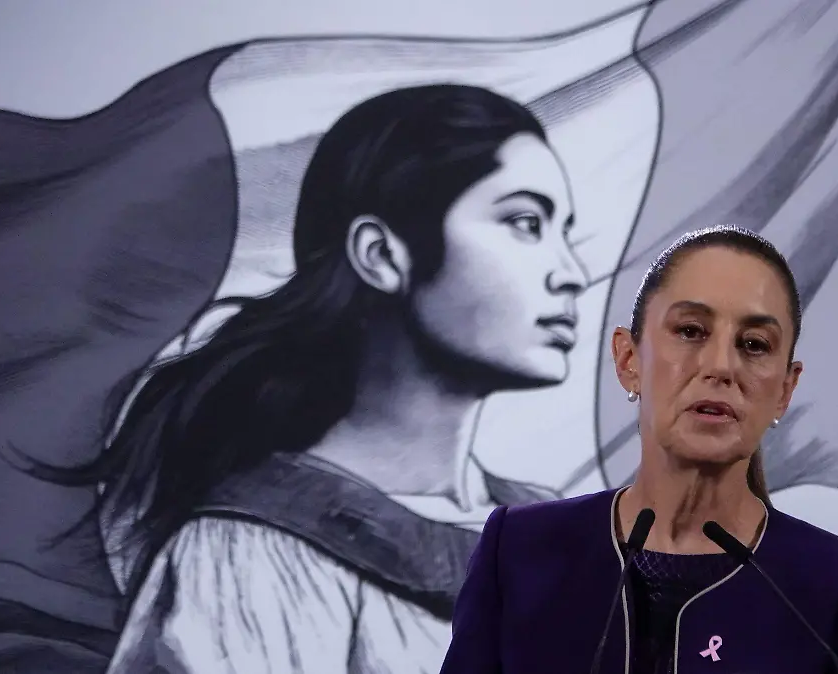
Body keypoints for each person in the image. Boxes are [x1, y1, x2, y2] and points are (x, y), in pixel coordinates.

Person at [55, 84, 587, 673]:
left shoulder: (561, 532)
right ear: (381, 255)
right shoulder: (249, 557)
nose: (571, 273)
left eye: (564, 231)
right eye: (524, 222)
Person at [439, 225, 838, 674]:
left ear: (784, 389)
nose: (721, 366)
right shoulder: (518, 551)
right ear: (628, 360)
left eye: (754, 344)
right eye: (691, 331)